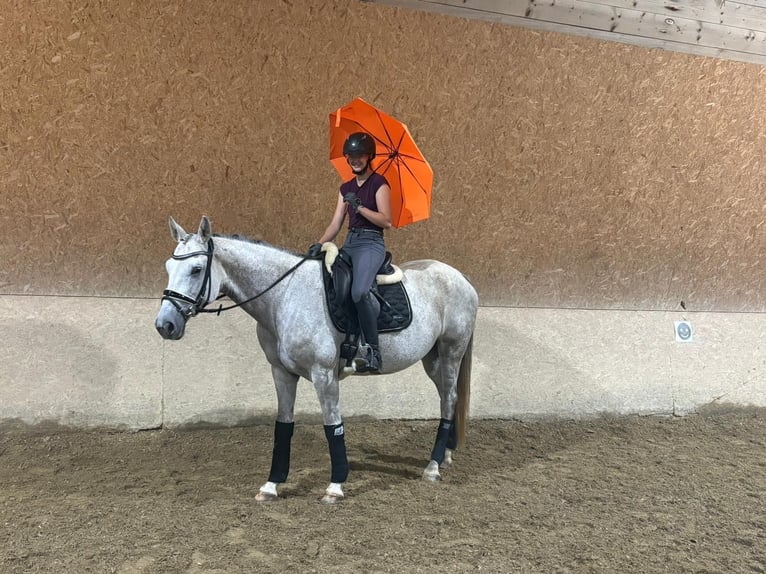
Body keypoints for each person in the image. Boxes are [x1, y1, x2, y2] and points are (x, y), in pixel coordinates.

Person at [309, 132, 392, 372]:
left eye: (359, 155)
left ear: (369, 157)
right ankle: (349, 338)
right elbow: (335, 224)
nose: (355, 160)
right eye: (351, 156)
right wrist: (320, 243)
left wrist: (359, 207)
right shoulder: (345, 188)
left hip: (371, 243)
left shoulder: (379, 183)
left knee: (359, 292)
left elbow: (386, 220)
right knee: (335, 288)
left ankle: (374, 352)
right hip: (351, 243)